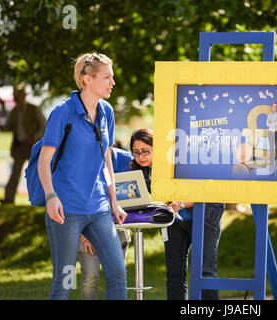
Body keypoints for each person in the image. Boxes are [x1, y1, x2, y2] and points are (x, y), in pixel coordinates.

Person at [38, 52, 127, 300]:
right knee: (64, 281)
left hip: (99, 209)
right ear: (87, 79)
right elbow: (44, 162)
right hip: (66, 209)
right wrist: (51, 196)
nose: (113, 82)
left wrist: (114, 201)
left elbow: (106, 159)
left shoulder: (106, 111)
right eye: (107, 77)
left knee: (118, 273)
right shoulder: (62, 113)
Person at [129, 128, 225, 300]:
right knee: (174, 272)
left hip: (204, 214)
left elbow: (206, 191)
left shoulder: (177, 162)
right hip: (173, 221)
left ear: (157, 148)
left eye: (145, 151)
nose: (141, 156)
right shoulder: (141, 173)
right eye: (136, 152)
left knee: (205, 271)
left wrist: (180, 203)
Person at [77, 146, 133, 300]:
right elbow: (72, 199)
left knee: (116, 277)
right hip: (87, 228)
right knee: (90, 277)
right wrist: (82, 234)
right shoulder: (79, 160)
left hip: (117, 228)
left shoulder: (127, 160)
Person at [0, 83, 46, 204]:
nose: (16, 98)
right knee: (15, 174)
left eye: (18, 95)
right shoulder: (14, 111)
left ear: (24, 96)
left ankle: (43, 198)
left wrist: (35, 137)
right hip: (19, 146)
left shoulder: (33, 109)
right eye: (15, 96)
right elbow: (7, 128)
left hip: (32, 146)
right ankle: (8, 199)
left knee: (38, 172)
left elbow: (44, 126)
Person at [266, 102, 277, 171]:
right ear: (272, 107)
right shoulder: (269, 115)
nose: (274, 108)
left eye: (276, 106)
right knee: (271, 149)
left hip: (276, 133)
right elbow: (267, 123)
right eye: (273, 106)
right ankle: (272, 164)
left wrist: (271, 123)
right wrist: (274, 123)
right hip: (270, 133)